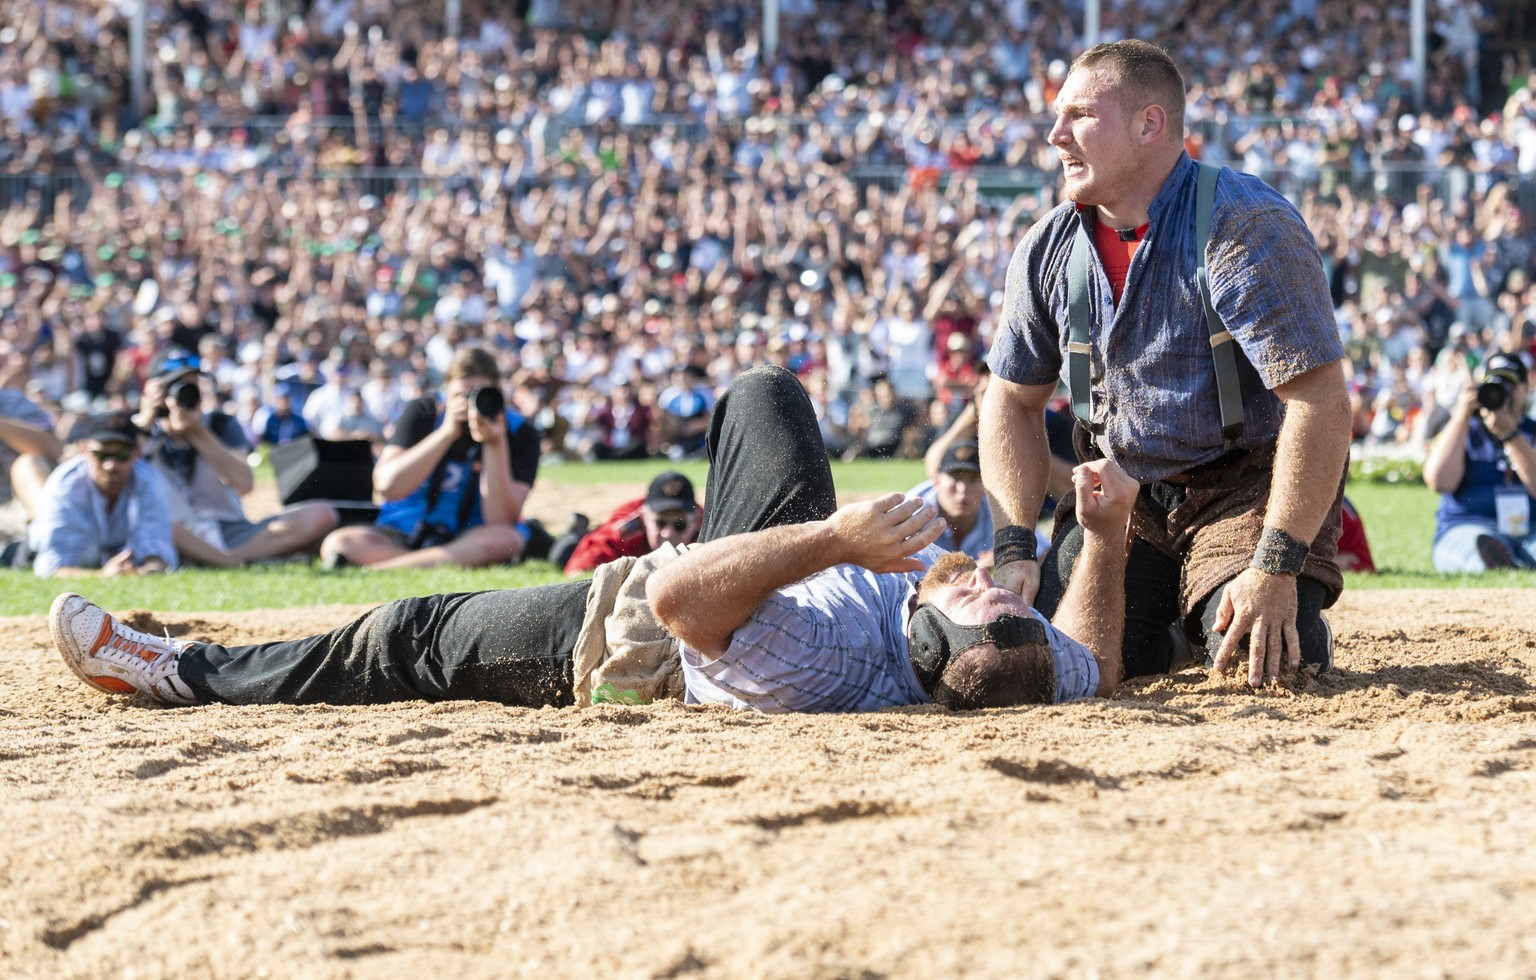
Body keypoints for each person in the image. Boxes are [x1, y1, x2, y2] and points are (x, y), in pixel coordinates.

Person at [49, 366, 1138, 714]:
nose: (992, 581)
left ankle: (180, 670)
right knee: (767, 393)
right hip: (762, 577)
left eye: (985, 599)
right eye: (1011, 597)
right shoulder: (1029, 658)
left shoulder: (818, 660)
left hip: (634, 638)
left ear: (937, 644)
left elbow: (679, 602)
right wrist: (1102, 538)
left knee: (405, 637)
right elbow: (1098, 653)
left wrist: (835, 537)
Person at [980, 40, 1353, 689]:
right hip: (1122, 492)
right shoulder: (1047, 249)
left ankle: (1216, 610)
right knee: (1051, 664)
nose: (1054, 134)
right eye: (1056, 116)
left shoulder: (1246, 225)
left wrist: (1276, 562)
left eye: (1079, 116)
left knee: (1260, 662)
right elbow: (1012, 400)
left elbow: (1318, 399)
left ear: (1149, 124)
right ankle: (1172, 630)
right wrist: (1015, 545)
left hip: (1244, 487)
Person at [318, 346, 540, 570]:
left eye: (479, 395)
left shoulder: (520, 433)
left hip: (470, 537)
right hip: (405, 532)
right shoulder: (424, 412)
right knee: (339, 542)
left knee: (507, 539)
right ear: (445, 391)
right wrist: (445, 432)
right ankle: (426, 562)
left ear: (497, 394)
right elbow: (387, 486)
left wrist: (495, 443)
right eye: (461, 396)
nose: (469, 406)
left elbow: (501, 520)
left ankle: (386, 567)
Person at [135, 347, 339, 567]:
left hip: (229, 530)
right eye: (175, 385)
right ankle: (240, 560)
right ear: (153, 390)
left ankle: (228, 559)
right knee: (156, 522)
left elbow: (244, 483)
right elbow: (124, 479)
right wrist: (145, 422)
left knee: (320, 514)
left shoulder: (221, 424)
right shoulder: (136, 430)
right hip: (170, 530)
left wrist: (198, 433)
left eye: (191, 384)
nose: (184, 393)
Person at [1422, 352, 1536, 570]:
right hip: (1469, 526)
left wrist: (1510, 435)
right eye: (1494, 384)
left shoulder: (1532, 431)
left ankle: (1509, 562)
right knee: (1475, 550)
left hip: (1531, 529)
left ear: (1524, 389)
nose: (1502, 393)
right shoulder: (1464, 429)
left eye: (1510, 386)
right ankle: (1497, 561)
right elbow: (1439, 481)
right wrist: (1460, 417)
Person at [29, 412, 177, 578]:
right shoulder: (64, 485)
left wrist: (144, 571)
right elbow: (51, 567)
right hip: (30, 549)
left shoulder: (149, 480)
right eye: (101, 455)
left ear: (136, 453)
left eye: (121, 455)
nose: (110, 466)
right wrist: (103, 575)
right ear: (84, 450)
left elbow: (157, 550)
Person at [552, 470, 704, 576]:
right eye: (660, 523)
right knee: (562, 552)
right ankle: (575, 531)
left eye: (680, 525)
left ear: (696, 521)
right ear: (643, 518)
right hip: (576, 545)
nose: (668, 533)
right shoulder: (627, 527)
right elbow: (579, 569)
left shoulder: (708, 528)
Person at [0, 387, 61, 555]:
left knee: (28, 463)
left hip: (20, 506)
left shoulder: (13, 402)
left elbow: (54, 448)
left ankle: (49, 542)